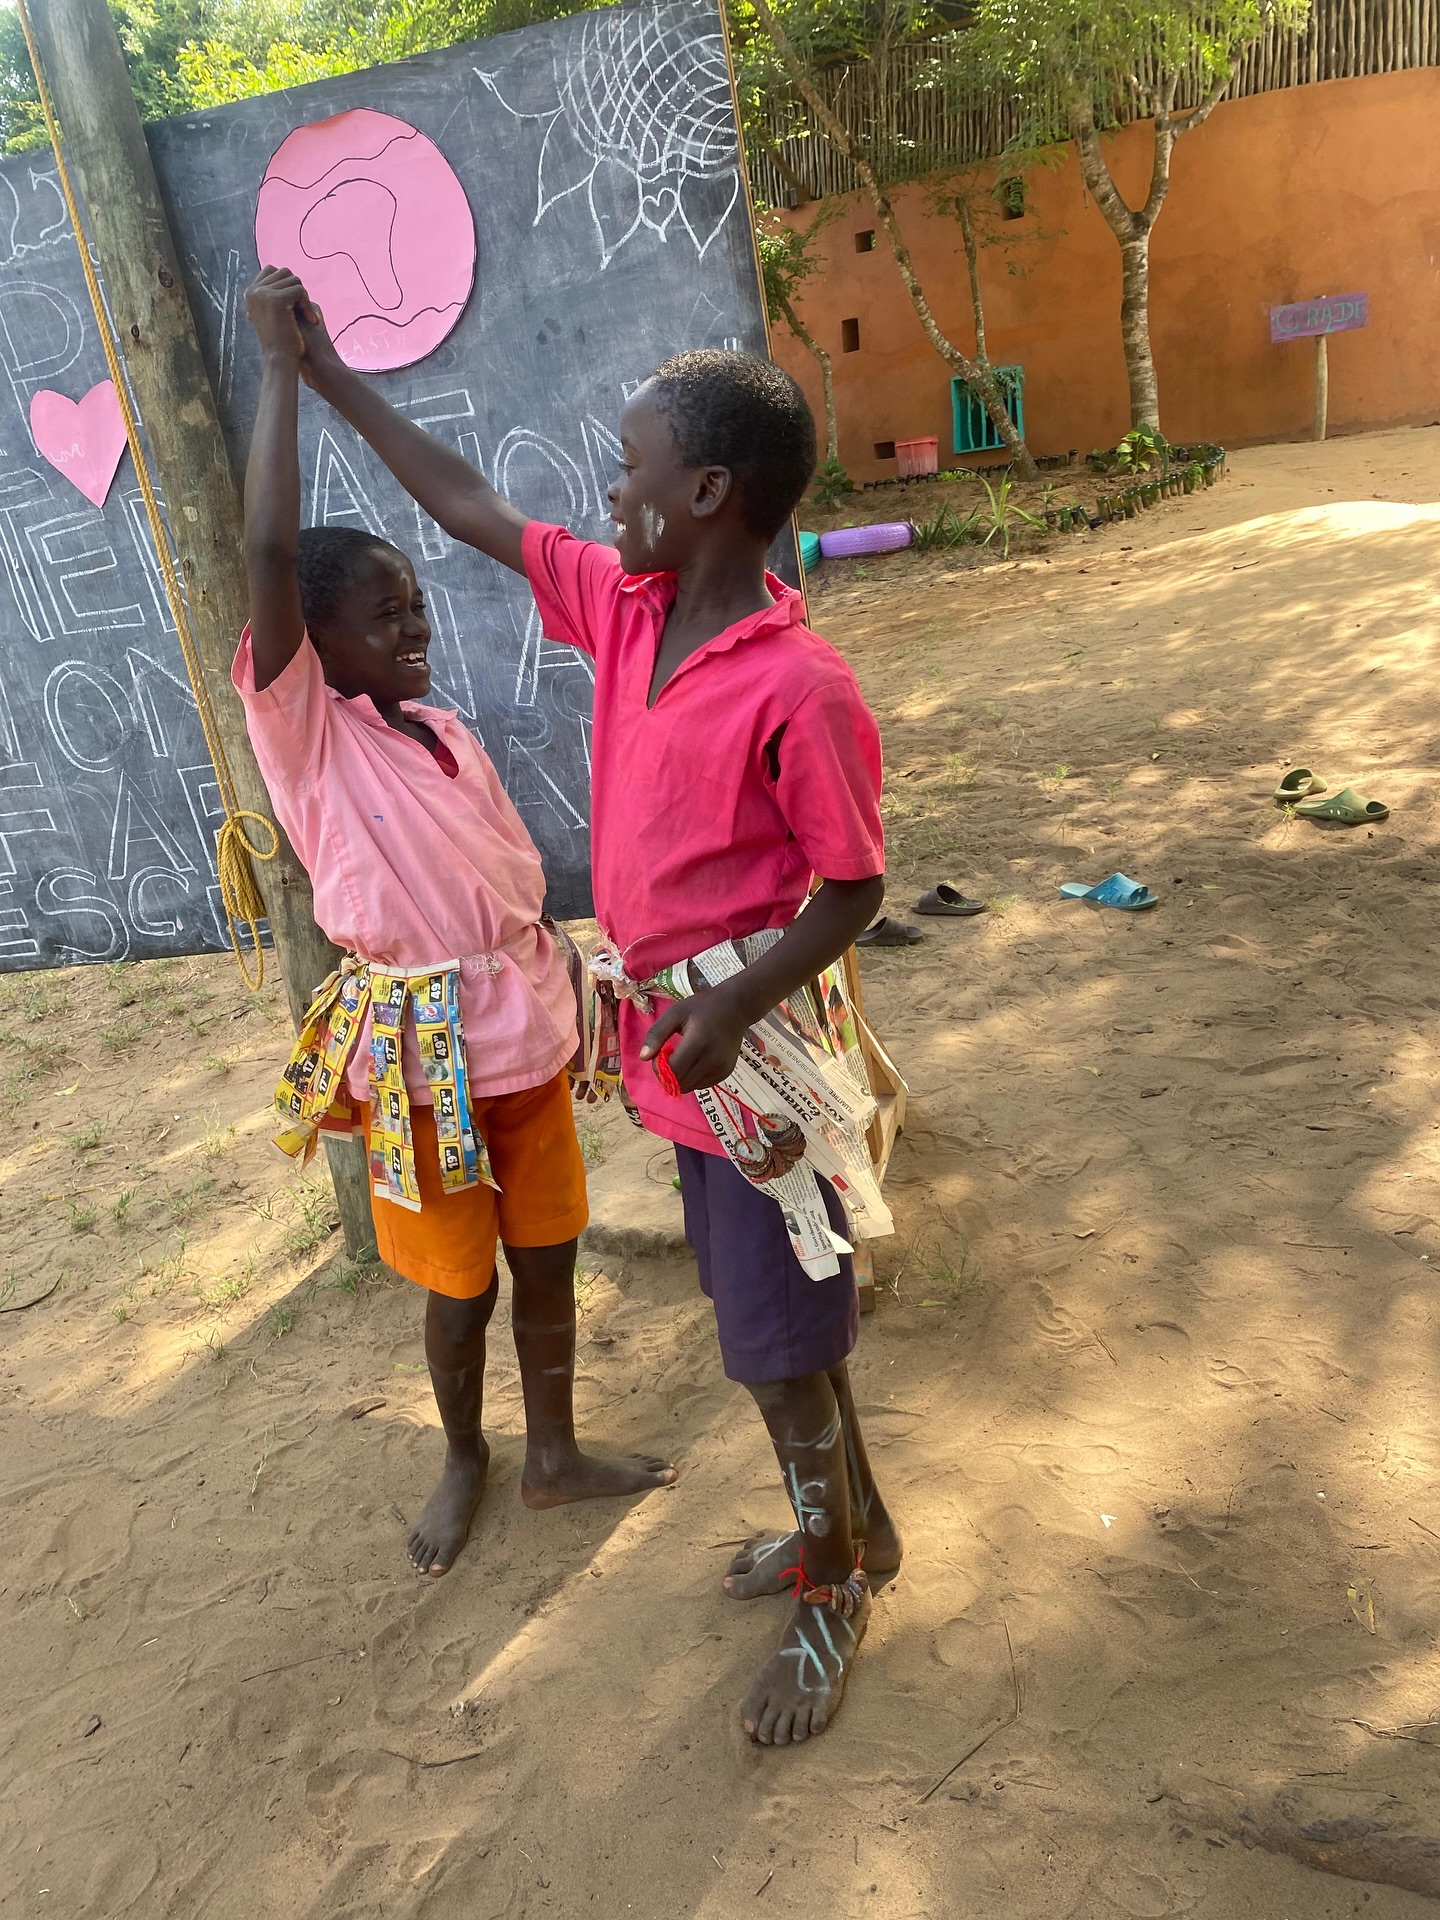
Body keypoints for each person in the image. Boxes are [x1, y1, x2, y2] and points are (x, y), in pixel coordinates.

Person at [292, 286, 901, 1746]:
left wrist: (735, 1001)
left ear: (708, 493)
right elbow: (466, 505)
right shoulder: (628, 611)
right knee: (778, 1321)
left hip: (753, 1063)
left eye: (631, 470)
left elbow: (855, 886)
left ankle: (832, 1589)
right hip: (682, 1057)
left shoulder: (800, 686)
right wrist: (325, 376)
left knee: (774, 1343)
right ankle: (857, 1530)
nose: (609, 492)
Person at [236, 266, 676, 1579]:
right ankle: (465, 1454)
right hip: (421, 1059)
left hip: (525, 1034)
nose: (414, 626)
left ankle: (552, 1452)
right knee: (458, 1283)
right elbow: (266, 556)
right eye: (384, 617)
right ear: (311, 647)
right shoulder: (307, 737)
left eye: (417, 605)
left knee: (548, 1255)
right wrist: (283, 369)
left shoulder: (439, 730)